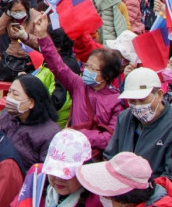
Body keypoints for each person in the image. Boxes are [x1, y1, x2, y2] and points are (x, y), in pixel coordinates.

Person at [35, 13, 125, 155]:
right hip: (69, 150)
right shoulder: (78, 85)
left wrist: (79, 135)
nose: (87, 71)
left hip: (94, 157)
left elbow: (109, 137)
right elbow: (58, 66)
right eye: (86, 66)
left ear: (107, 75)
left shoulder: (116, 101)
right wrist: (42, 36)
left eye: (93, 69)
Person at [104, 66, 172, 202]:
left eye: (142, 100)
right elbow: (111, 155)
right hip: (123, 192)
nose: (137, 106)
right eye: (132, 101)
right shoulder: (124, 118)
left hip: (158, 198)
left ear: (159, 95)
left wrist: (139, 190)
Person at [0, 73, 60, 172]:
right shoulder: (7, 116)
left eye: (15, 94)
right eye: (9, 92)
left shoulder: (50, 134)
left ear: (31, 103)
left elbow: (45, 173)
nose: (9, 97)